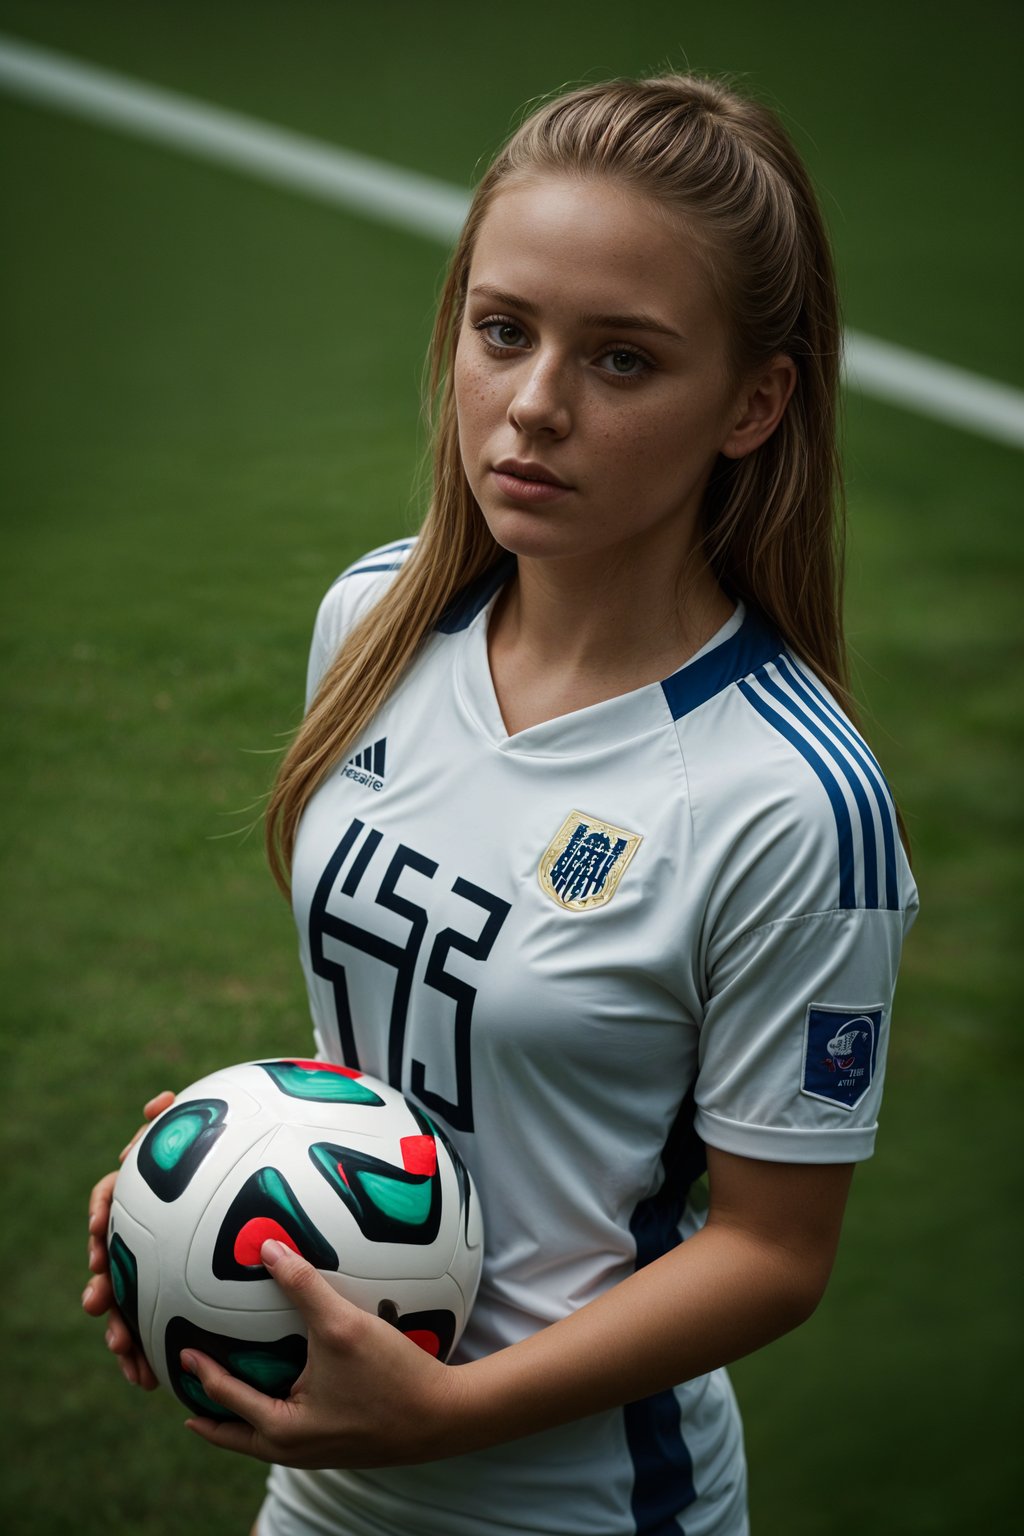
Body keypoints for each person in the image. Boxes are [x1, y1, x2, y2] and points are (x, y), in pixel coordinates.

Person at [84, 71, 918, 1536]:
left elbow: (777, 1254)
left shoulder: (789, 798)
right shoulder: (376, 621)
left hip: (585, 1504)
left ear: (753, 402)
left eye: (623, 361)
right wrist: (216, 1182)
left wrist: (449, 1413)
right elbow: (411, 1041)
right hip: (321, 1491)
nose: (533, 407)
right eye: (504, 331)